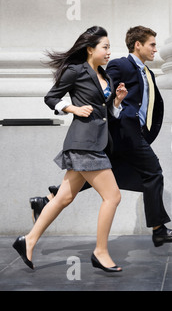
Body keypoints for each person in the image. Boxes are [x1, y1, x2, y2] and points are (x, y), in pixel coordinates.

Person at [30, 26, 172, 248]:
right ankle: (158, 230)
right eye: (152, 44)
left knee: (100, 174)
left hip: (130, 133)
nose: (156, 49)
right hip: (122, 131)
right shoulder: (119, 65)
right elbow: (98, 91)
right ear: (138, 45)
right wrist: (77, 108)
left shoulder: (148, 73)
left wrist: (117, 104)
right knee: (153, 172)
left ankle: (46, 201)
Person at [13, 26, 128, 272]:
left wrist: (116, 101)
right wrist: (72, 108)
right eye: (105, 47)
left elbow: (106, 114)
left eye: (109, 47)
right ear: (90, 49)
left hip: (97, 142)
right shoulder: (76, 71)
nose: (109, 52)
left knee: (63, 197)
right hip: (83, 144)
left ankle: (28, 240)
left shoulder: (105, 77)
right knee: (113, 196)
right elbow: (51, 97)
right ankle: (100, 252)